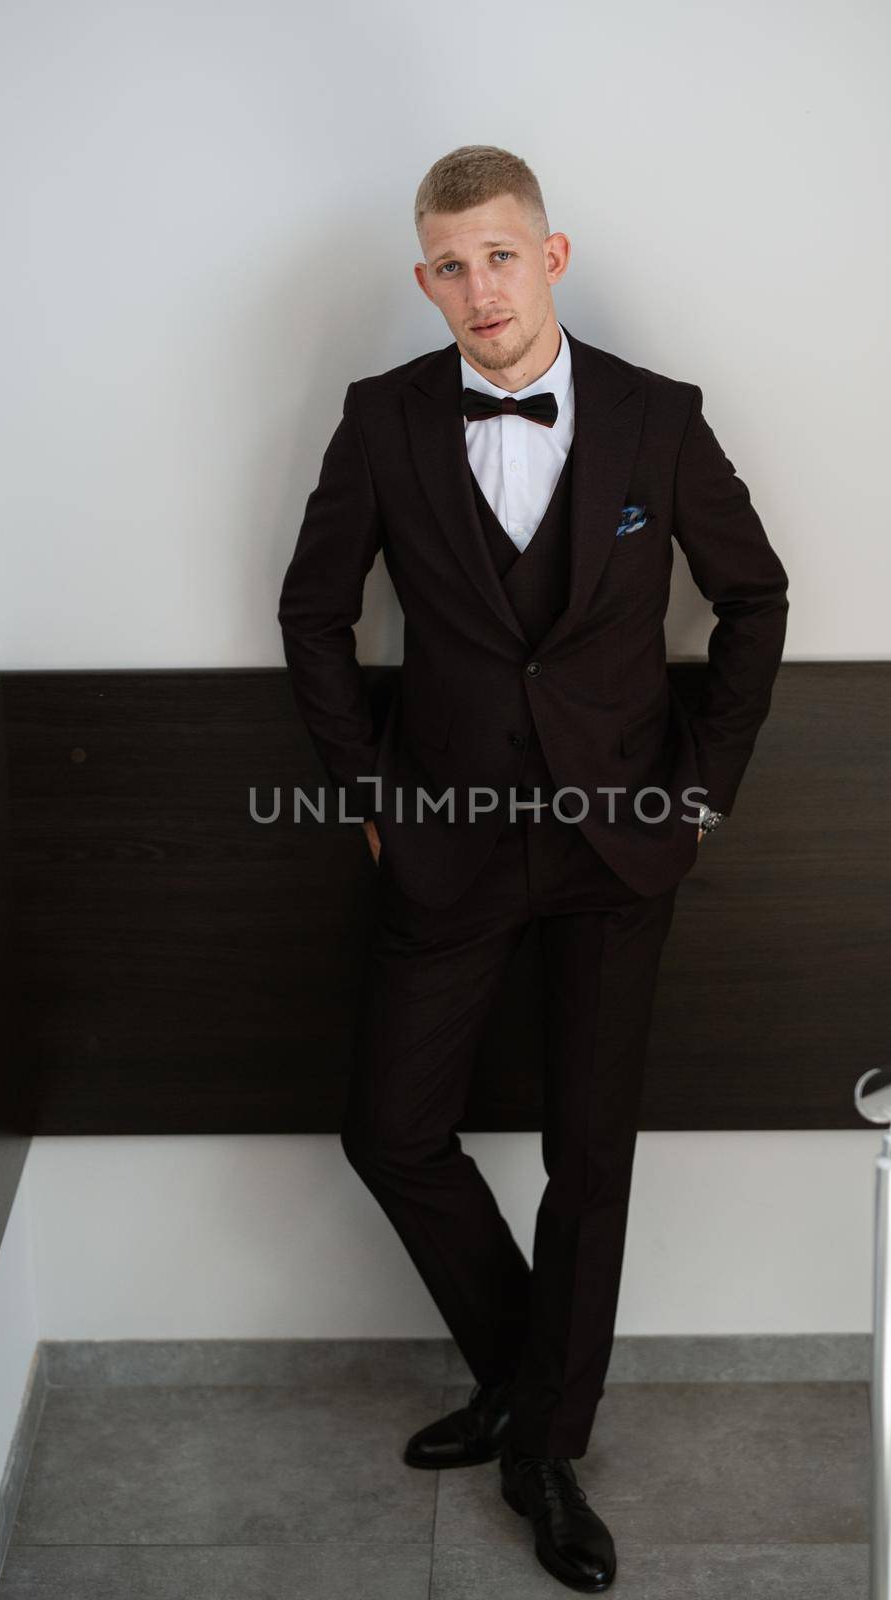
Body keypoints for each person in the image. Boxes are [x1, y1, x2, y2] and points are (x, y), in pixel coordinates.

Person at [277, 143, 789, 1594]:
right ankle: (523, 1372)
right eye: (450, 263)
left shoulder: (654, 417)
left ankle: (546, 1447)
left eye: (501, 255)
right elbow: (313, 614)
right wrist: (368, 797)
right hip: (442, 843)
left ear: (549, 258)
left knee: (591, 1155)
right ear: (424, 278)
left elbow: (754, 597)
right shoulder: (381, 423)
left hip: (618, 848)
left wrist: (702, 797)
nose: (478, 288)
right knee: (390, 1129)